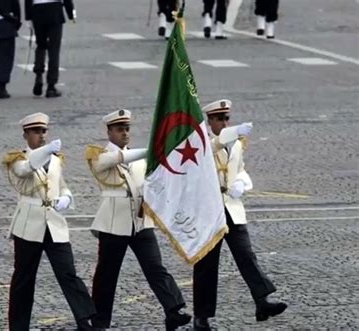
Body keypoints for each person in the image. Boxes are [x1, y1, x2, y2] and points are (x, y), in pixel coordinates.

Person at [84, 109, 191, 330]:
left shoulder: (140, 160)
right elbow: (110, 161)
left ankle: (173, 310)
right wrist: (148, 151)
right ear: (109, 132)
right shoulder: (100, 155)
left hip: (140, 221)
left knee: (155, 267)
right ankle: (99, 321)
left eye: (127, 129)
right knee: (107, 275)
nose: (124, 133)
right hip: (114, 222)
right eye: (119, 129)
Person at [192, 100, 287, 330]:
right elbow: (210, 149)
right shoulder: (200, 140)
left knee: (246, 255)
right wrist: (233, 132)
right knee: (206, 265)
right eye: (220, 119)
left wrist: (242, 184)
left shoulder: (234, 143)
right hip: (209, 210)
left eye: (227, 118)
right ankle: (201, 317)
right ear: (210, 120)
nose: (225, 122)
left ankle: (262, 301)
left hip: (232, 208)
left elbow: (240, 168)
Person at [2, 113, 101, 331]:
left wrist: (67, 198)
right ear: (25, 135)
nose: (41, 136)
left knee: (68, 273)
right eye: (36, 132)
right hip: (28, 226)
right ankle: (18, 327)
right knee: (24, 279)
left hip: (54, 224)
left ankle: (85, 320)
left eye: (43, 131)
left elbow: (62, 185)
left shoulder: (55, 160)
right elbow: (25, 170)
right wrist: (46, 151)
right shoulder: (18, 158)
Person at [25, 0, 75, 98]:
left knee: (41, 45)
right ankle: (51, 86)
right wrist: (71, 14)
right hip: (54, 10)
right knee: (54, 50)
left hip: (37, 11)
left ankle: (38, 75)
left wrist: (29, 17)